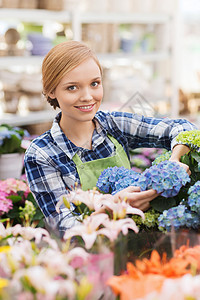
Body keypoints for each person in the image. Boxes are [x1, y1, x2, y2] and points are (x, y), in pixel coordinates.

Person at [24, 40, 196, 236]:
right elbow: (64, 228)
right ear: (51, 90)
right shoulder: (41, 153)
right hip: (89, 257)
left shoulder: (113, 125)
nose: (87, 96)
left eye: (94, 84)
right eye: (72, 87)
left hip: (134, 244)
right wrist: (114, 207)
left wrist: (173, 163)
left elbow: (182, 128)